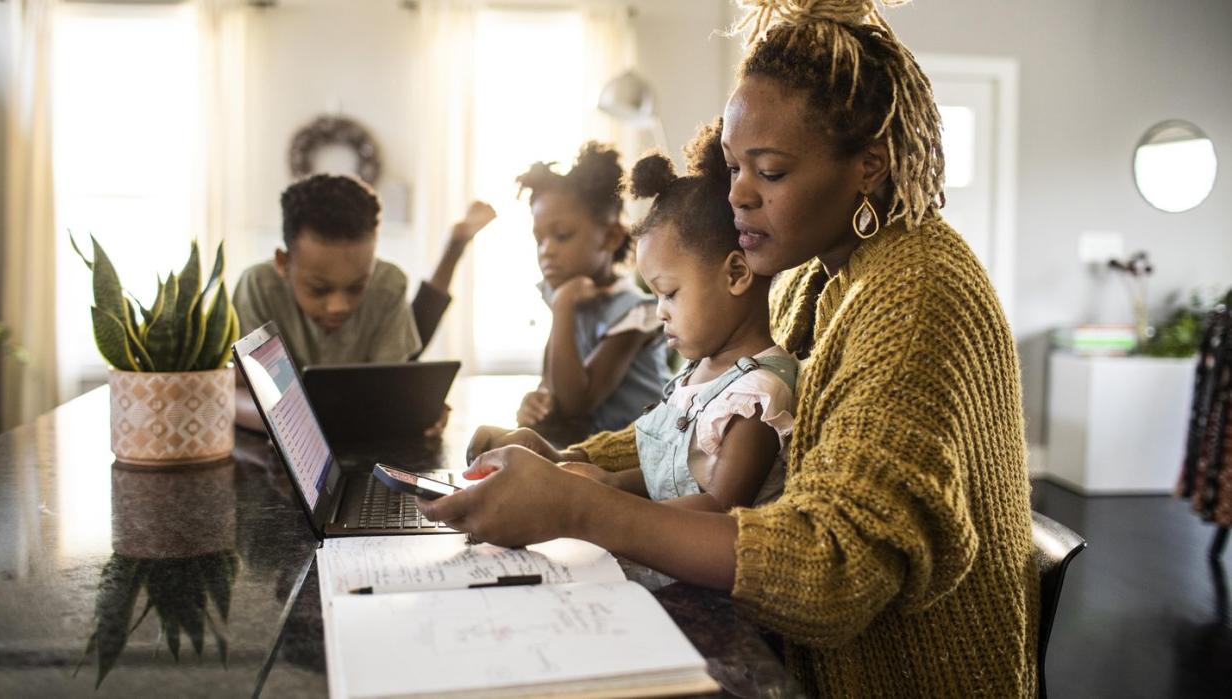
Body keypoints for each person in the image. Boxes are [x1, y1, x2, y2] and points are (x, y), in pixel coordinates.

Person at [426, 0, 1037, 695]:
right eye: (732, 166)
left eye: (770, 172)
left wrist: (579, 506)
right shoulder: (811, 273)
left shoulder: (917, 294)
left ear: (869, 165)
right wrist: (566, 461)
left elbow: (834, 567)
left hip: (902, 676)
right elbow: (706, 417)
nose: (738, 195)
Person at [563, 125, 798, 512]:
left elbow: (715, 509)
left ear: (736, 274)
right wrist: (608, 482)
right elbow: (671, 474)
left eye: (669, 294)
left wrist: (599, 504)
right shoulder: (698, 372)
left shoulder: (756, 394)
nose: (660, 312)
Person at [233, 173, 495, 430]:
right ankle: (454, 246)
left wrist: (414, 407)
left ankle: (454, 248)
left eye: (357, 286)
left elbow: (391, 386)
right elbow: (231, 394)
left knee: (413, 343)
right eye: (319, 289)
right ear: (283, 263)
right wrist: (294, 420)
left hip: (380, 371)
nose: (339, 306)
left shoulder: (388, 282)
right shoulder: (257, 285)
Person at [514, 142, 670, 437]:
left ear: (610, 237)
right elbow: (554, 389)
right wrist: (536, 402)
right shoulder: (566, 297)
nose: (546, 251)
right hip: (586, 451)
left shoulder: (636, 312)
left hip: (639, 458)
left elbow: (576, 403)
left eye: (562, 236)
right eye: (539, 239)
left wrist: (562, 308)